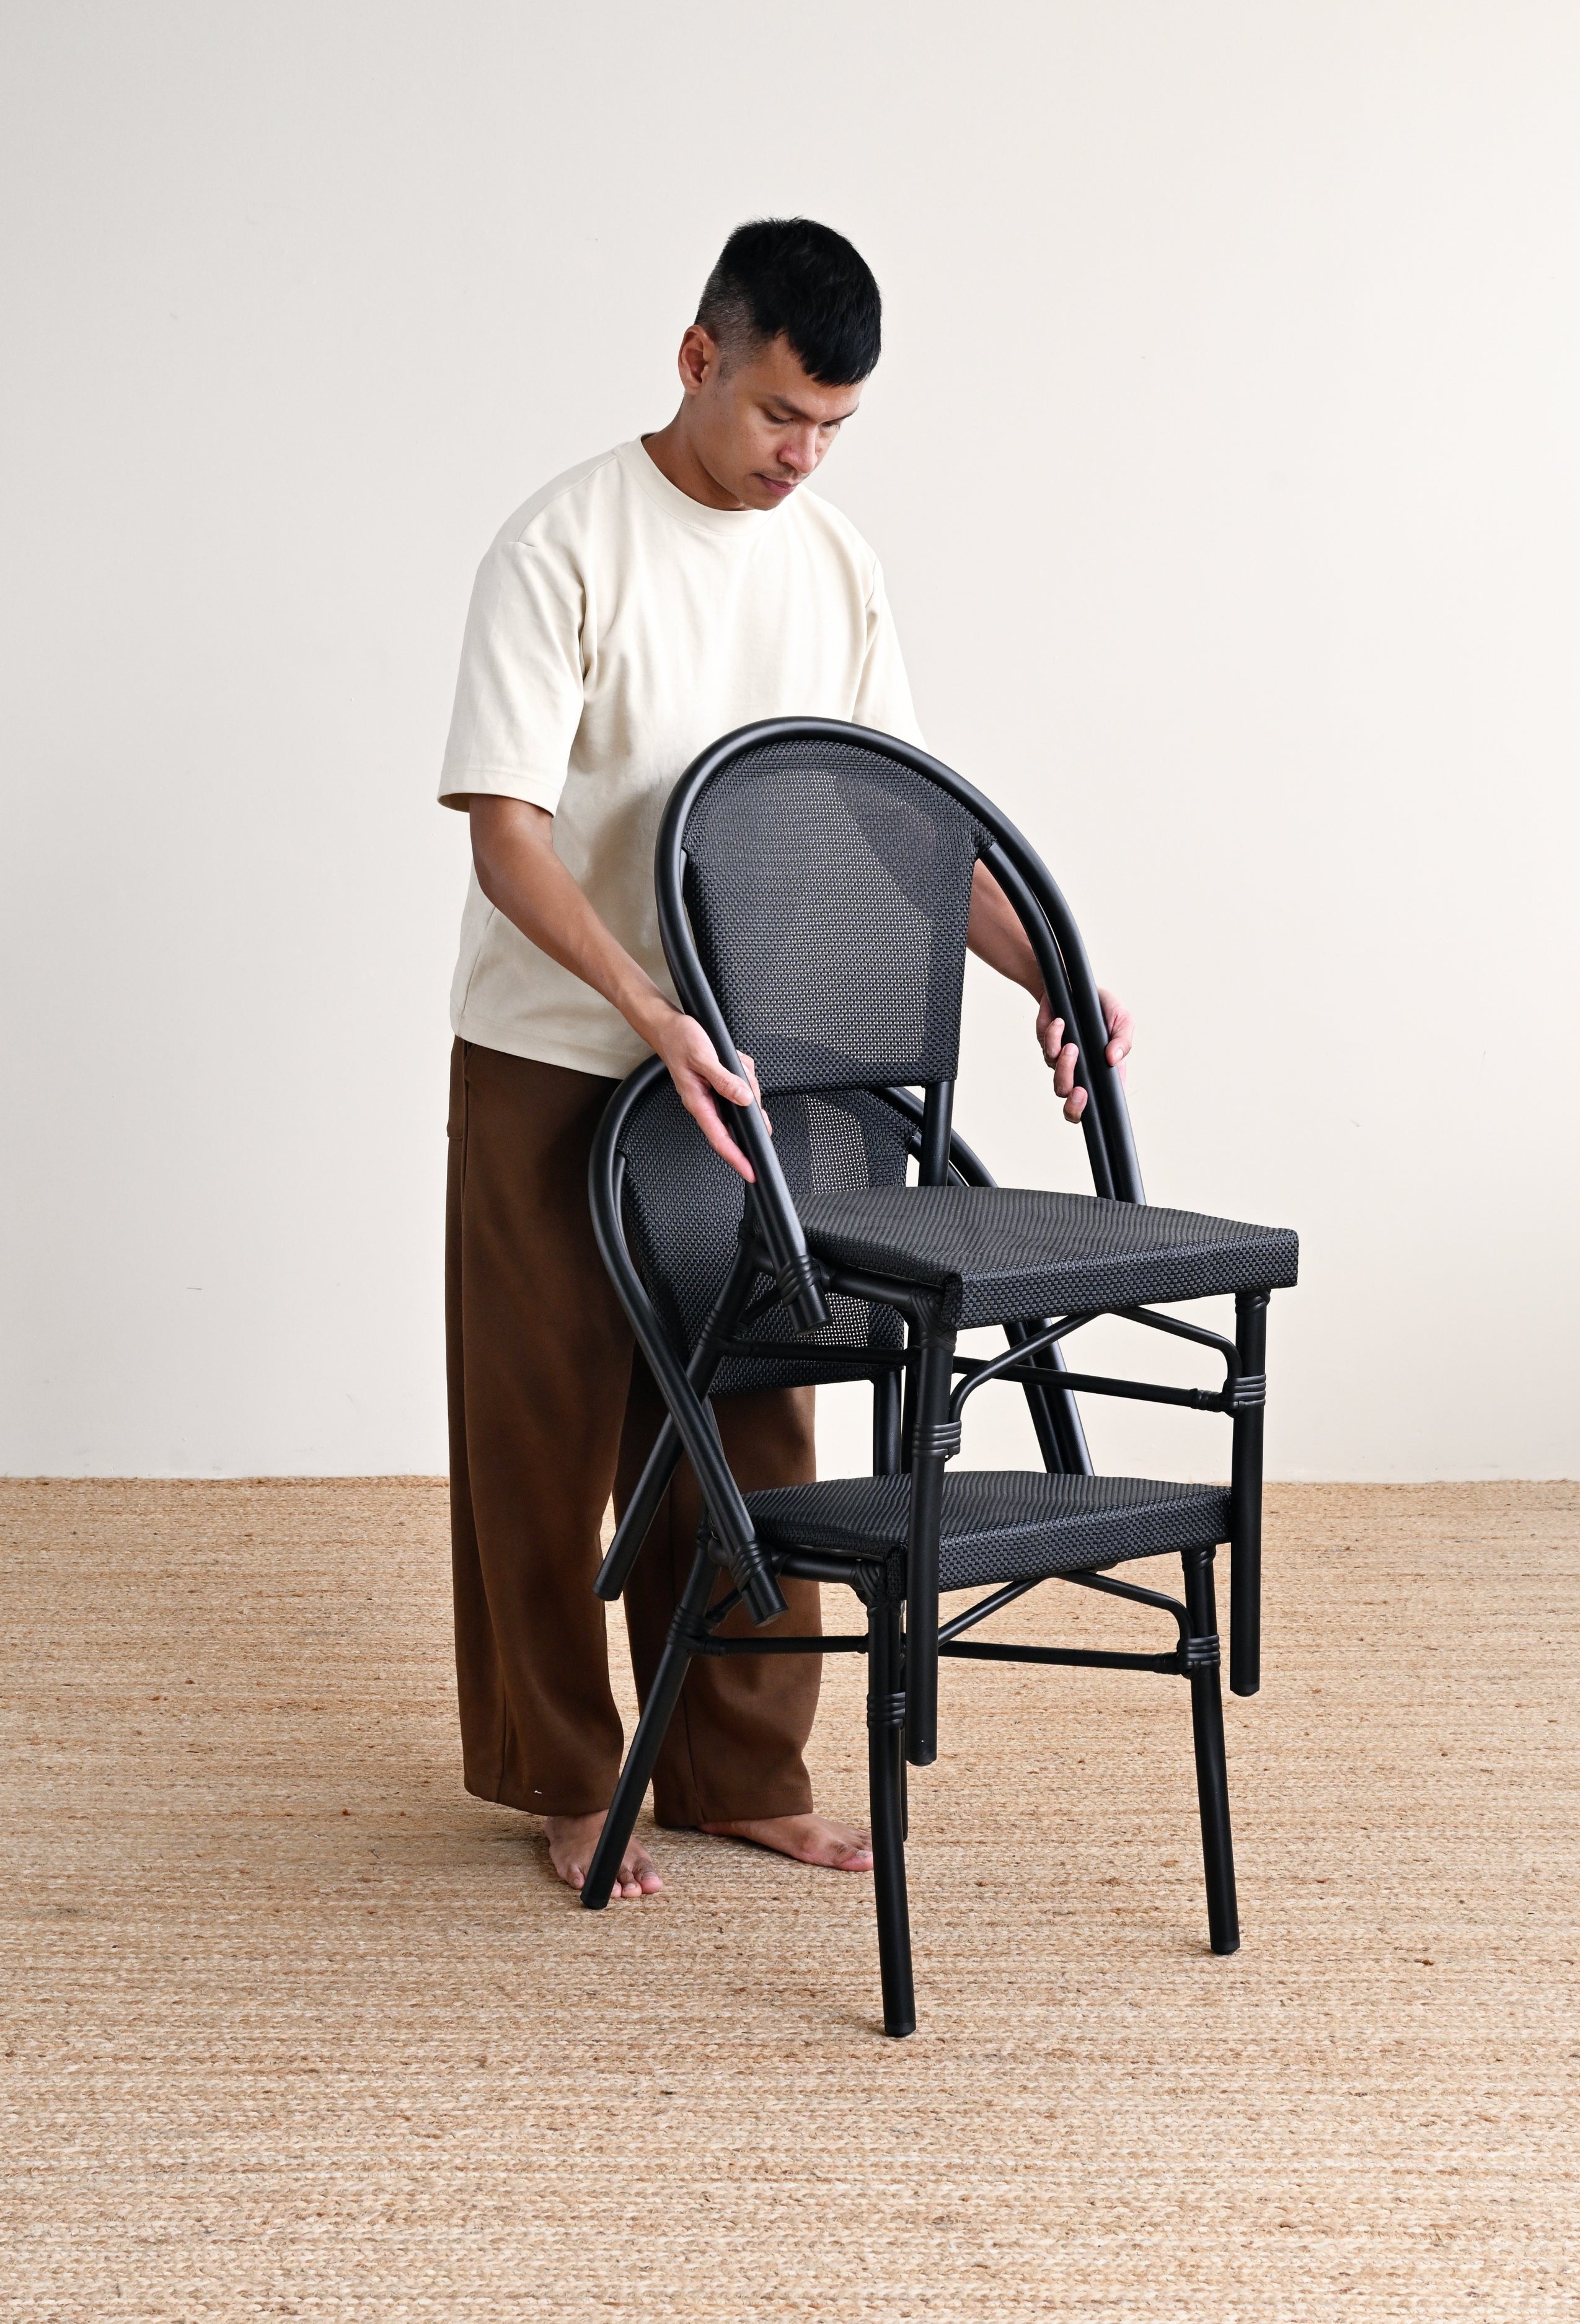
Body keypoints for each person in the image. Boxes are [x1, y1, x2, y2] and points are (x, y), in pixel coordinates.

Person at [438, 218, 1131, 1900]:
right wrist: (647, 1007)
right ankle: (569, 1775)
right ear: (699, 360)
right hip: (560, 1043)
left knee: (756, 1403)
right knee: (547, 1421)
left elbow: (898, 827)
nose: (801, 455)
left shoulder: (833, 563)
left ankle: (738, 1768)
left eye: (833, 426)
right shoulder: (564, 542)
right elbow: (507, 836)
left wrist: (1052, 973)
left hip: (759, 1059)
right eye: (778, 414)